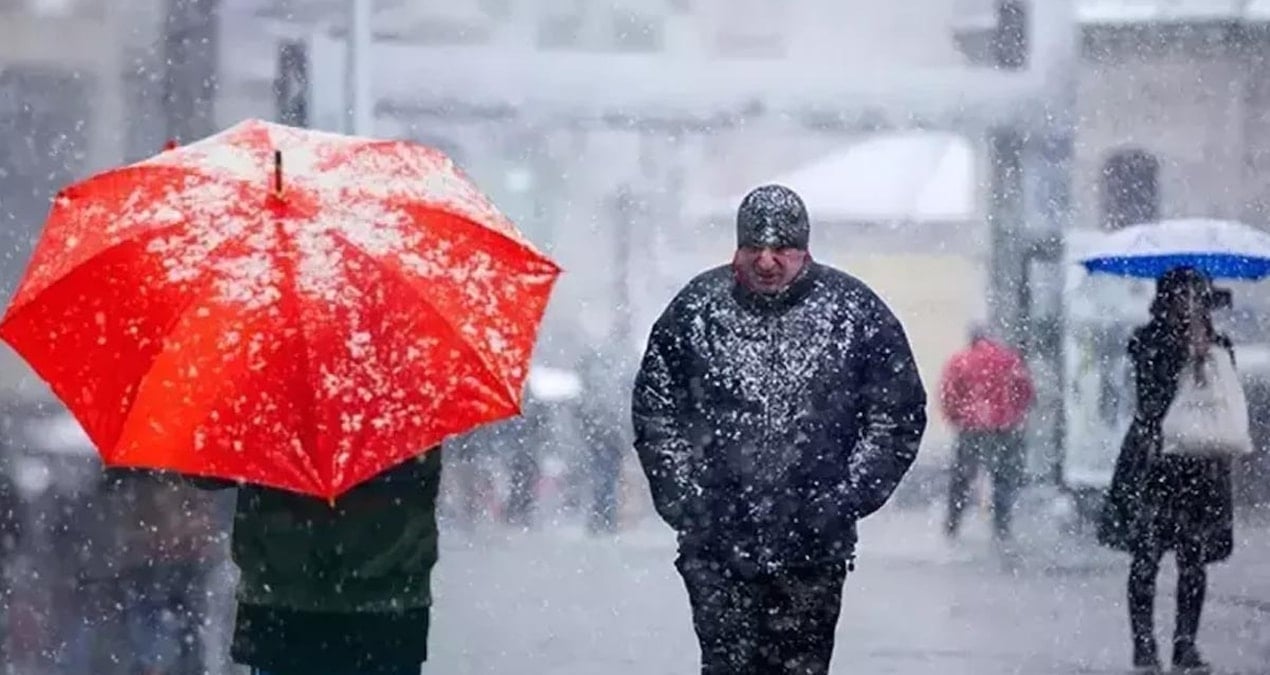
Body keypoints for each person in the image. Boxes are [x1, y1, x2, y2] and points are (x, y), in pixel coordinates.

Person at [632, 184, 927, 675]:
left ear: (804, 250)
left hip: (812, 550)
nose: (766, 261)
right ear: (737, 249)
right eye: (754, 247)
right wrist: (686, 500)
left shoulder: (853, 313)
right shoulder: (696, 312)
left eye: (780, 249)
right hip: (717, 546)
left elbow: (897, 415)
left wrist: (843, 498)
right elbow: (656, 412)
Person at [192, 449, 443, 675]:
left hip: (283, 597)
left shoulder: (269, 406)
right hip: (387, 600)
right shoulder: (406, 406)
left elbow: (207, 466)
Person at [1098, 267, 1235, 672]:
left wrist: (1206, 353)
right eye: (1184, 295)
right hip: (1154, 461)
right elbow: (1152, 398)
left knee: (1193, 560)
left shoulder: (1218, 344)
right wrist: (1182, 354)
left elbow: (1225, 397)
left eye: (1197, 296)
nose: (1190, 303)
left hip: (1199, 464)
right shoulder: (1147, 340)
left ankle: (1185, 646)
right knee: (1146, 557)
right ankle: (1144, 647)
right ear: (1167, 298)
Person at [939, 325, 1035, 541]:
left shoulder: (961, 360)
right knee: (1002, 477)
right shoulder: (1009, 359)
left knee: (962, 479)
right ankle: (1001, 526)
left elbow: (949, 393)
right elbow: (1026, 390)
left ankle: (953, 524)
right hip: (1004, 429)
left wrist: (958, 418)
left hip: (972, 428)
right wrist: (1015, 415)